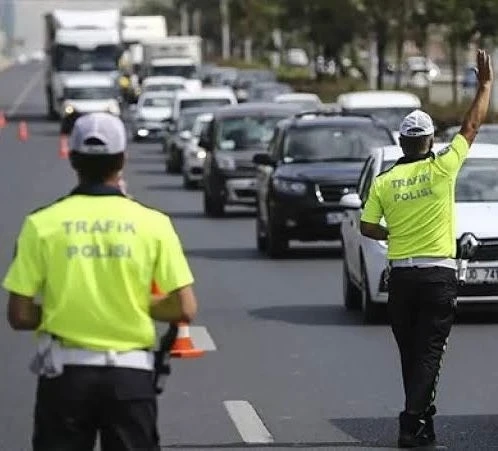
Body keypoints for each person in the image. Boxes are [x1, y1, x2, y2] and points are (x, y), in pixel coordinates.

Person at [3, 112, 198, 451]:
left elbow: (18, 315)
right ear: (122, 159)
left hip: (65, 377)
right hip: (131, 378)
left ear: (73, 159)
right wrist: (137, 305)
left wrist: (64, 310)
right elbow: (185, 308)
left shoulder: (41, 224)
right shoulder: (153, 224)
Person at [360, 49, 492, 448]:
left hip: (400, 276)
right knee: (431, 352)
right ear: (431, 140)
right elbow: (470, 126)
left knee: (411, 353)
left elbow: (367, 226)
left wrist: (393, 234)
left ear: (402, 142)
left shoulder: (384, 181)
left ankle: (423, 422)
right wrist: (485, 85)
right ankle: (410, 420)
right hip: (438, 276)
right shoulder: (442, 168)